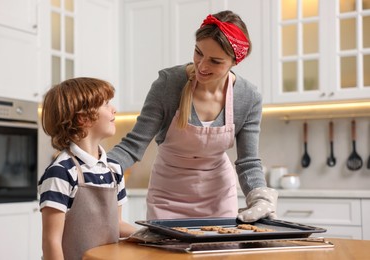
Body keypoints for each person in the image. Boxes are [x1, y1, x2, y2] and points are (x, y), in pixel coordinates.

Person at [108, 10, 278, 221]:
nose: (202, 66)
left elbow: (248, 162)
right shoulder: (168, 84)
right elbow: (133, 146)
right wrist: (98, 169)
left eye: (215, 61)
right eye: (198, 52)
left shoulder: (248, 97)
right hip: (167, 196)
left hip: (219, 197)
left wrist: (260, 197)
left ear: (235, 61)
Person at [38, 77, 136, 260]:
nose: (114, 109)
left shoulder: (113, 170)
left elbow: (117, 224)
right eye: (106, 104)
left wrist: (152, 235)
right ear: (84, 118)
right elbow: (52, 242)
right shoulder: (61, 172)